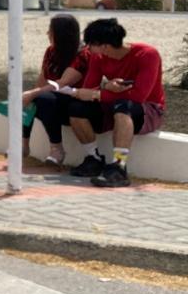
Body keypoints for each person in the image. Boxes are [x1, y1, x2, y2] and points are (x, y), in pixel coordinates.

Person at [66, 18, 166, 188]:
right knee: (77, 108)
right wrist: (106, 86)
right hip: (114, 105)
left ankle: (119, 167)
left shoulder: (148, 54)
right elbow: (89, 88)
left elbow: (138, 96)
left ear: (105, 46)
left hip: (147, 109)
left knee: (123, 107)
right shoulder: (98, 57)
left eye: (91, 44)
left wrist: (99, 94)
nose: (88, 48)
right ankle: (94, 159)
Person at [20, 14, 90, 165]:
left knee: (41, 98)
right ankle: (23, 144)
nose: (47, 34)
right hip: (53, 99)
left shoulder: (83, 54)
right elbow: (43, 79)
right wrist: (29, 96)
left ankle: (57, 148)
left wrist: (33, 94)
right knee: (29, 100)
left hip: (75, 100)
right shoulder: (51, 51)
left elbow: (62, 83)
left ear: (61, 34)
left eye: (50, 31)